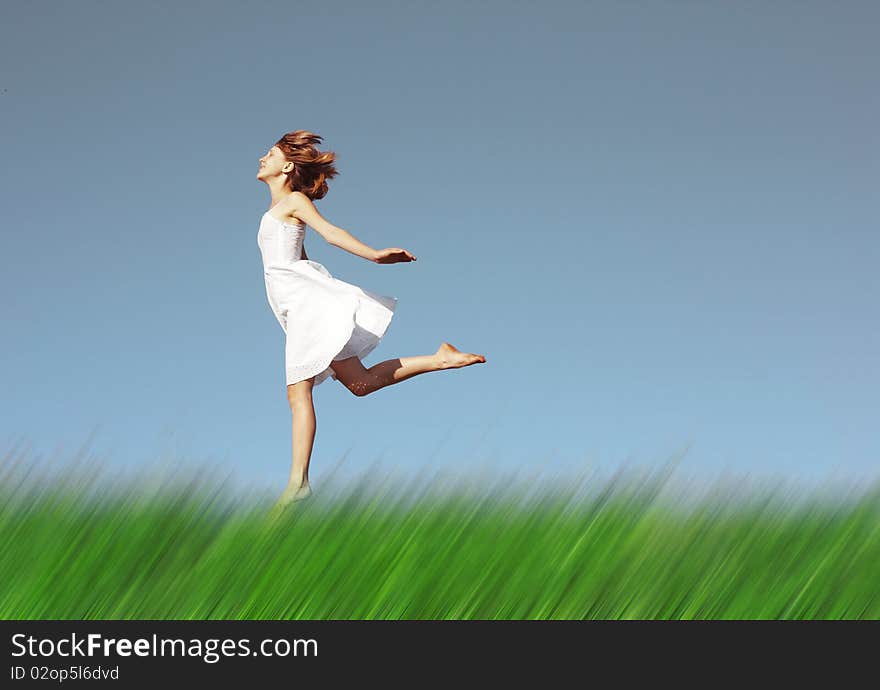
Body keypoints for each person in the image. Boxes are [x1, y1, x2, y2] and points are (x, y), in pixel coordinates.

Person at [256, 130, 486, 512]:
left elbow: (331, 233)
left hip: (305, 305)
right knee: (359, 384)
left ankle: (298, 483)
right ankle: (440, 358)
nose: (261, 158)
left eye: (269, 153)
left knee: (298, 393)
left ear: (287, 166)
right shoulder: (279, 211)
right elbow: (297, 259)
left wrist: (375, 255)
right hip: (296, 305)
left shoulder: (294, 201)